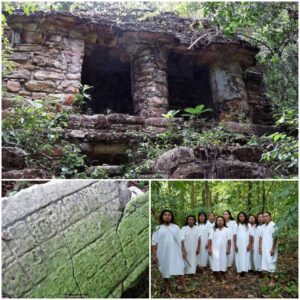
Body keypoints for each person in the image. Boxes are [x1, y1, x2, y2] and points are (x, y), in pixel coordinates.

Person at [207, 216, 231, 282]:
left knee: (223, 262)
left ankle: (223, 276)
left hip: (223, 250)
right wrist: (209, 249)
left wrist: (228, 249)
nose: (220, 222)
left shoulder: (227, 229)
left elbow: (229, 241)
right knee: (215, 263)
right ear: (216, 222)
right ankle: (215, 277)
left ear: (224, 222)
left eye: (221, 220)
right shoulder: (212, 229)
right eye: (218, 220)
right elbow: (209, 240)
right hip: (214, 250)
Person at [259, 212, 278, 287]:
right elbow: (260, 238)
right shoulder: (262, 226)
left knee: (271, 263)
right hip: (264, 247)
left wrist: (272, 248)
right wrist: (260, 248)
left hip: (271, 248)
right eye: (264, 216)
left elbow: (275, 237)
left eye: (266, 216)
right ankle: (268, 279)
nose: (265, 218)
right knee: (265, 263)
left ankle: (273, 280)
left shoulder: (273, 225)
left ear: (270, 217)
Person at [234, 212, 253, 277]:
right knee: (238, 257)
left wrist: (249, 244)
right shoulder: (236, 225)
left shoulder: (248, 225)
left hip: (246, 244)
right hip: (238, 244)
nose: (241, 218)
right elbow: (234, 235)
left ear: (245, 217)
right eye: (240, 216)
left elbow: (251, 235)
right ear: (238, 217)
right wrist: (235, 245)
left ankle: (245, 271)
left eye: (243, 216)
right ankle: (238, 272)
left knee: (246, 257)